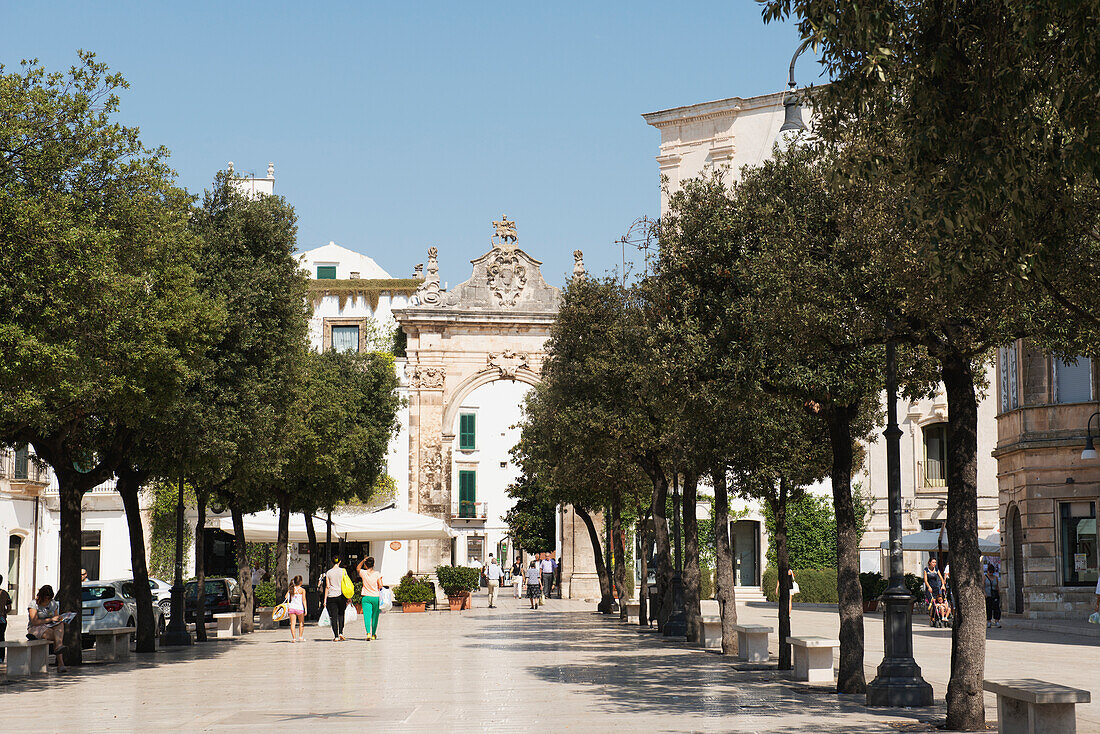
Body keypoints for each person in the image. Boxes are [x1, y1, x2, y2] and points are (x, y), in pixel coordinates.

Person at [27, 585, 67, 673]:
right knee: (57, 638)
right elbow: (34, 621)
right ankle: (61, 663)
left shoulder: (53, 603)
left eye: (49, 599)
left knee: (60, 625)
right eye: (46, 598)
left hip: (50, 625)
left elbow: (56, 616)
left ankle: (58, 648)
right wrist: (50, 619)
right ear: (41, 596)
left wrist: (60, 618)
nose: (47, 601)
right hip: (36, 628)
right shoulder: (34, 604)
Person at [356, 556, 383, 641]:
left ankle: (368, 633)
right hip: (375, 597)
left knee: (367, 616)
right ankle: (374, 634)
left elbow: (357, 568)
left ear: (365, 565)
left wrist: (362, 560)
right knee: (375, 616)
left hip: (366, 597)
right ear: (373, 564)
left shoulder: (363, 573)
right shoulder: (377, 574)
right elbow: (381, 585)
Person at [323, 557, 347, 641]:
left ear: (331, 562)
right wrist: (349, 596)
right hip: (341, 595)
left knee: (333, 616)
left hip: (331, 596)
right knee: (341, 614)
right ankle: (341, 632)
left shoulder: (328, 573)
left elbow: (327, 586)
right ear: (339, 562)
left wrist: (324, 600)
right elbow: (346, 583)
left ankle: (336, 636)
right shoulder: (343, 571)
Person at [285, 575, 307, 642]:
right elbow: (304, 599)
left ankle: (294, 638)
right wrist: (305, 609)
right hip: (299, 608)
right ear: (301, 582)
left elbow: (286, 597)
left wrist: (289, 592)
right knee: (301, 623)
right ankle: (300, 637)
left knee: (293, 623)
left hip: (292, 608)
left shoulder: (291, 589)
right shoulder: (302, 590)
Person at [0, 573, 10, 663]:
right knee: (1, 637)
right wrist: (4, 613)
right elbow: (9, 607)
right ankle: (1, 657)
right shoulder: (5, 594)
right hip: (2, 619)